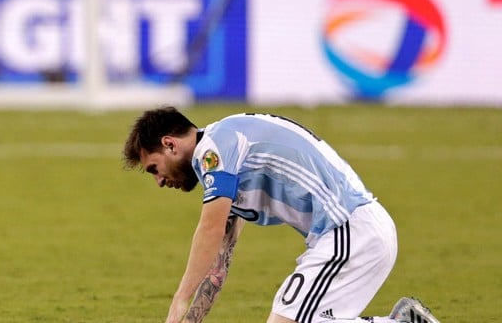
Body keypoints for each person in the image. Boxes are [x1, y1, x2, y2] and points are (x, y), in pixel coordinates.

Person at [122, 106, 444, 323]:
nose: (160, 181)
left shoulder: (214, 151)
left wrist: (180, 299)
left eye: (154, 168)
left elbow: (209, 228)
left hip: (350, 230)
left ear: (170, 145)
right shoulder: (224, 163)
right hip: (353, 234)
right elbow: (217, 265)